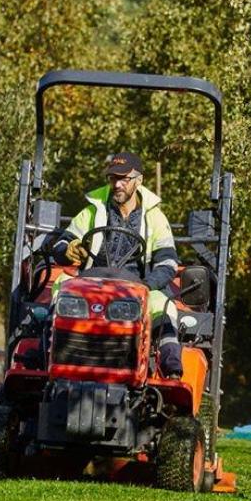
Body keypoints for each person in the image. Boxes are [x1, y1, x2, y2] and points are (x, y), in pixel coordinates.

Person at [53, 152, 183, 378]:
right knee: (61, 286)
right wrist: (68, 249)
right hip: (91, 286)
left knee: (165, 305)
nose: (118, 184)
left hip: (138, 288)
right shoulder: (92, 211)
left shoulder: (155, 218)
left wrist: (146, 286)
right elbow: (62, 243)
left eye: (124, 179)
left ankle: (170, 368)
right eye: (113, 178)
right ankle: (45, 356)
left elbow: (168, 263)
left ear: (139, 180)